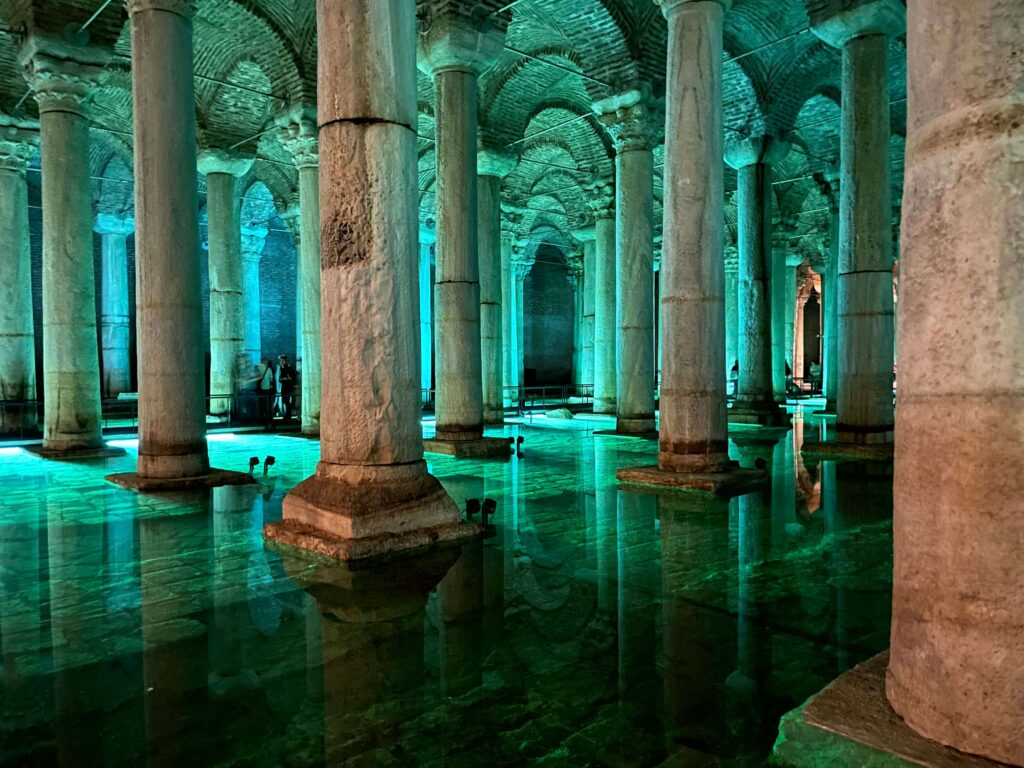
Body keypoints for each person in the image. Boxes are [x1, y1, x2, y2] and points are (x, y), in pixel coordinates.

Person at [257, 357, 275, 423]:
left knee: (261, 405)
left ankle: (261, 418)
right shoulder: (269, 369)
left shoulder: (258, 368)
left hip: (260, 390)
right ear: (267, 362)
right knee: (268, 405)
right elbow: (271, 380)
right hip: (267, 389)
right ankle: (268, 419)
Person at [277, 355, 296, 420]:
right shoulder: (283, 368)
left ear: (284, 361)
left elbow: (289, 377)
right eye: (280, 360)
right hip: (285, 387)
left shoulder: (286, 368)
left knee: (286, 401)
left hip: (286, 387)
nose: (280, 362)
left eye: (281, 360)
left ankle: (288, 415)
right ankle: (288, 415)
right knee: (286, 401)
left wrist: (283, 379)